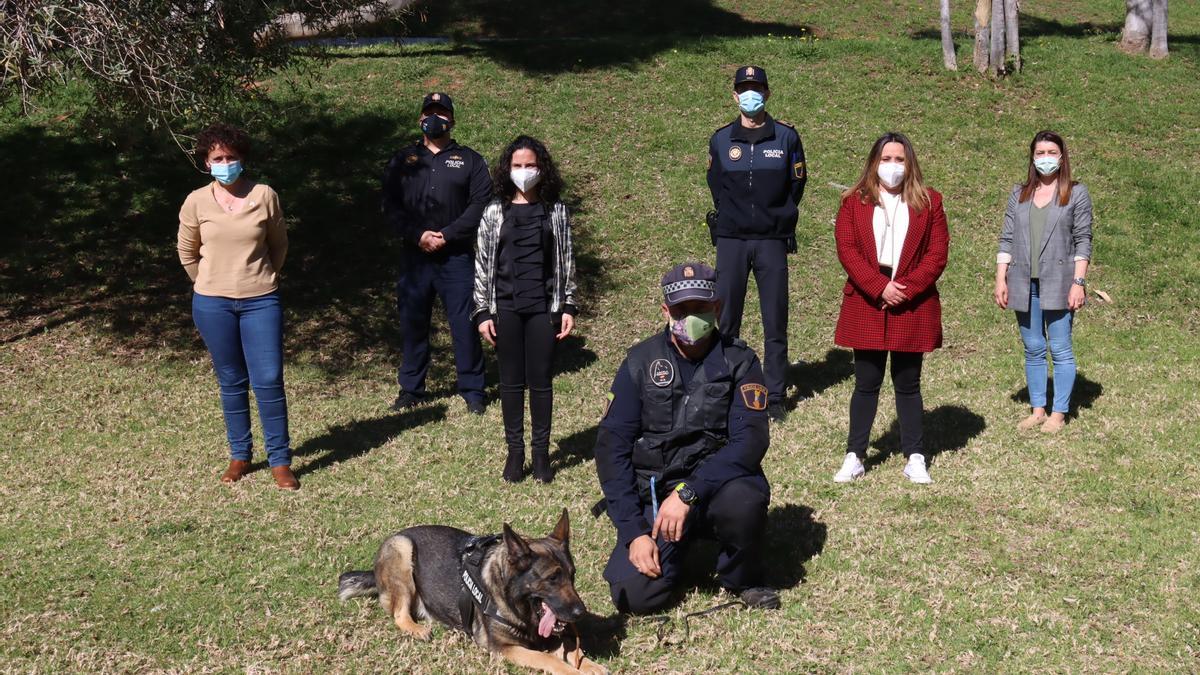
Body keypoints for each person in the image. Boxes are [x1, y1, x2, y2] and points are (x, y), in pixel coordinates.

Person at [593, 262, 780, 615]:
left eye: (700, 308)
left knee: (744, 500)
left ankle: (742, 576)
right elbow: (611, 449)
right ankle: (672, 551)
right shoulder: (640, 362)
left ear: (717, 308)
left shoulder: (740, 361)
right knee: (634, 597)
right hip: (656, 492)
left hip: (714, 487)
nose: (690, 317)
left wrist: (689, 492)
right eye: (681, 310)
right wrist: (634, 532)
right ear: (666, 311)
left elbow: (750, 442)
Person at [177, 123, 298, 490]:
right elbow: (186, 251)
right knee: (231, 381)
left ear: (242, 159)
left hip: (261, 300)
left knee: (269, 380)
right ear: (206, 162)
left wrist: (259, 278)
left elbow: (279, 246)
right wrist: (208, 283)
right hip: (212, 304)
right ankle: (240, 455)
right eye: (218, 158)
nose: (224, 163)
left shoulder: (264, 195)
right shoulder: (196, 201)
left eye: (231, 157)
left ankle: (280, 461)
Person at [831, 132, 949, 485]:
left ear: (910, 164)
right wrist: (878, 286)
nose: (893, 166)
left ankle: (914, 456)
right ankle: (855, 455)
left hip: (911, 300)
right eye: (886, 159)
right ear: (873, 163)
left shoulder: (930, 202)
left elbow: (937, 255)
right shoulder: (853, 202)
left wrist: (905, 289)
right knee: (866, 382)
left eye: (900, 159)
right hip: (868, 297)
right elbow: (847, 249)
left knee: (907, 383)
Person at [472, 136, 579, 484]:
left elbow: (565, 262)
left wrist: (567, 305)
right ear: (507, 169)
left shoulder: (556, 210)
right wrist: (483, 313)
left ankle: (541, 454)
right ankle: (515, 453)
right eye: (517, 166)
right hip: (505, 309)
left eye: (529, 165)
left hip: (542, 309)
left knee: (541, 382)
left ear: (541, 168)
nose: (523, 172)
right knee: (510, 383)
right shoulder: (493, 212)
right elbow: (483, 265)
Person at [706, 65, 808, 421]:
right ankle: (726, 387)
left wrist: (778, 218)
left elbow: (796, 185)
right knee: (727, 318)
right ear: (734, 96)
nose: (750, 95)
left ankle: (776, 394)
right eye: (743, 89)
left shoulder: (786, 138)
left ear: (767, 94)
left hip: (771, 241)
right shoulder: (721, 140)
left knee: (774, 319)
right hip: (731, 240)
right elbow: (716, 185)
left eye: (757, 88)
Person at [382, 92, 491, 414]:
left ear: (452, 120)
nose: (435, 118)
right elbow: (390, 205)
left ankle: (473, 390)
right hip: (414, 259)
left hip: (456, 258)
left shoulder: (470, 160)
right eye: (429, 112)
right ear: (420, 119)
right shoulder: (402, 160)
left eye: (442, 112)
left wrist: (447, 235)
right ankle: (411, 390)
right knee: (413, 323)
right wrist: (418, 236)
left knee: (464, 324)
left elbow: (480, 204)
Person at [994, 131, 1092, 434]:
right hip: (1024, 282)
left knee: (1060, 348)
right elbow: (1007, 238)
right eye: (1040, 153)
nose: (1045, 158)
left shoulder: (1076, 193)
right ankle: (1038, 409)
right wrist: (1001, 277)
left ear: (1062, 157)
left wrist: (1079, 281)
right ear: (1032, 157)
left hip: (1060, 283)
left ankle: (1059, 412)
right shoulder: (1019, 193)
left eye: (1051, 152)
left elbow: (1083, 240)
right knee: (1033, 347)